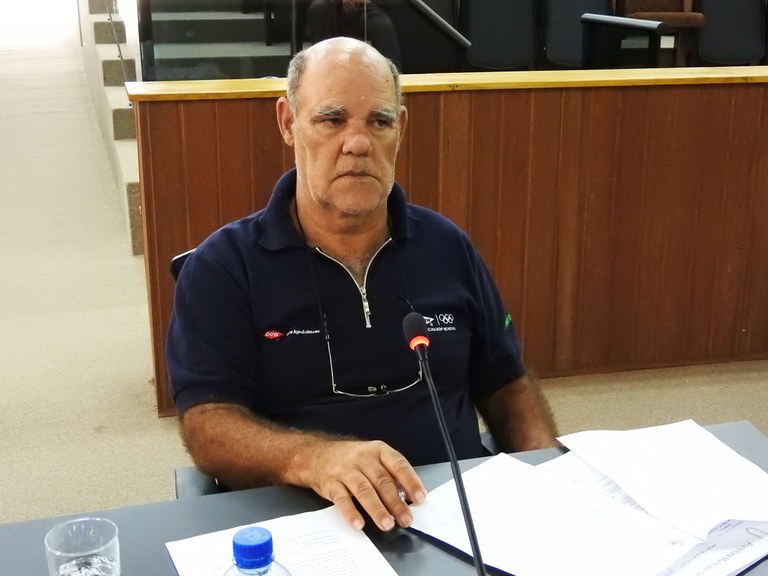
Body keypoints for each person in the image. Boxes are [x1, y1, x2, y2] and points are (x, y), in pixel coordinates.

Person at [166, 37, 558, 534]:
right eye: (332, 120)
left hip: (454, 511)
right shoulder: (223, 266)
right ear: (288, 122)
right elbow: (209, 423)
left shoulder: (446, 245)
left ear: (401, 128)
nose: (358, 143)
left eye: (379, 121)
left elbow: (505, 382)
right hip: (309, 521)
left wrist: (548, 476)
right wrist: (313, 458)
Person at [306, 0, 401, 69]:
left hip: (365, 5)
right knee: (318, 8)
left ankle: (394, 76)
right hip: (330, 4)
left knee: (383, 25)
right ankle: (321, 70)